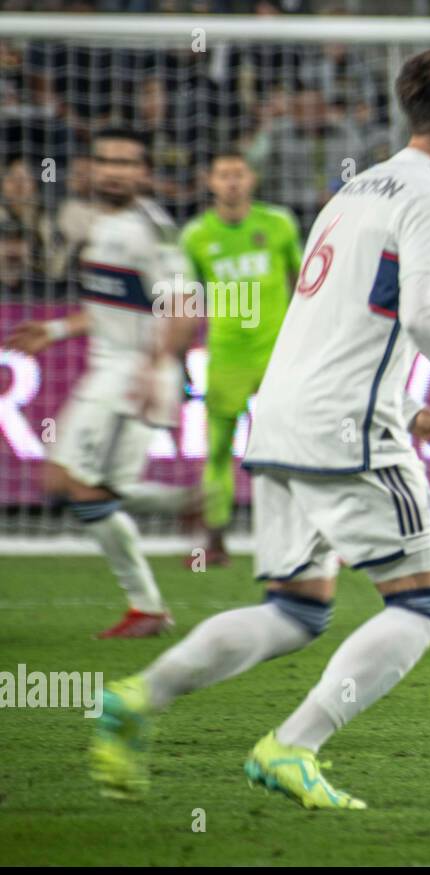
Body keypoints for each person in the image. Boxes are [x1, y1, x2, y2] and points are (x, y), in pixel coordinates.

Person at [88, 48, 430, 809]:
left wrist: (411, 409)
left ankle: (138, 696)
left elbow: (336, 326)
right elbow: (428, 316)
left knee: (297, 609)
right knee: (421, 606)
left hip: (281, 420)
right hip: (345, 428)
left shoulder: (351, 192)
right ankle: (291, 748)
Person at [4, 127, 196, 638]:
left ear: (145, 173)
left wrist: (154, 366)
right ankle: (185, 511)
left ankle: (149, 603)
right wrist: (57, 328)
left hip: (132, 373)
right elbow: (112, 305)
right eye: (107, 161)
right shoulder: (98, 224)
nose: (115, 171)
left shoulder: (150, 230)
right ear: (91, 167)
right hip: (107, 368)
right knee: (71, 486)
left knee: (80, 486)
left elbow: (185, 305)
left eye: (128, 162)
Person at [180, 150, 302, 565]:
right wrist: (181, 356)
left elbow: (303, 282)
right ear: (210, 181)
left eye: (238, 174)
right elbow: (183, 299)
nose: (232, 182)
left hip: (276, 352)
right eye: (223, 174)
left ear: (251, 179)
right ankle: (215, 539)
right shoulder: (196, 236)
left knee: (292, 444)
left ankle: (305, 534)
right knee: (217, 449)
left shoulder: (279, 224)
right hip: (226, 353)